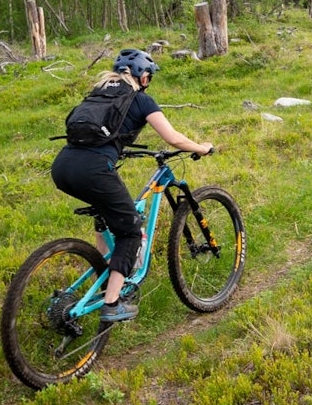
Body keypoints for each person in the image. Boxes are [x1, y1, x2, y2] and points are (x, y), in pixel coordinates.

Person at [50, 48, 214, 322]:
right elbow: (172, 137)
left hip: (63, 167)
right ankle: (112, 304)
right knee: (131, 231)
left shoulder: (98, 93)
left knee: (107, 213)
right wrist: (202, 148)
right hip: (93, 171)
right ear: (143, 76)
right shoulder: (141, 100)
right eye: (149, 76)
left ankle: (108, 274)